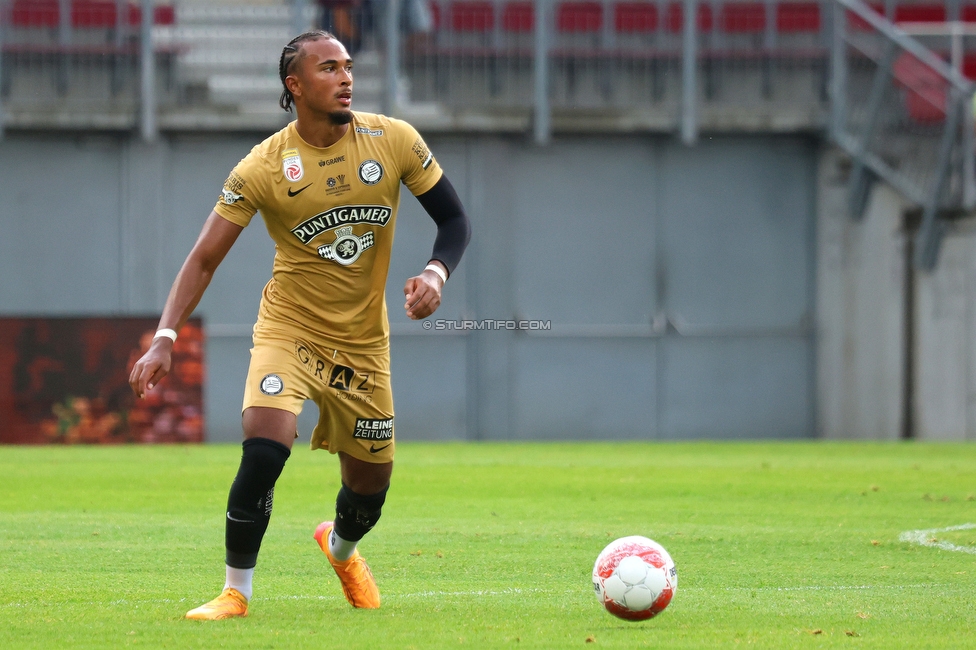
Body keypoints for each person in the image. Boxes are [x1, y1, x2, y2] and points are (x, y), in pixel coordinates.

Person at [128, 30, 471, 620]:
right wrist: (164, 338)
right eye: (329, 68)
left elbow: (454, 219)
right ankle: (237, 591)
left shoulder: (393, 140)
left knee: (369, 488)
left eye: (348, 67)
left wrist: (436, 274)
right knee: (264, 446)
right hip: (289, 330)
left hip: (363, 344)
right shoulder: (263, 165)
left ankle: (341, 551)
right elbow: (203, 258)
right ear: (295, 84)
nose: (346, 78)